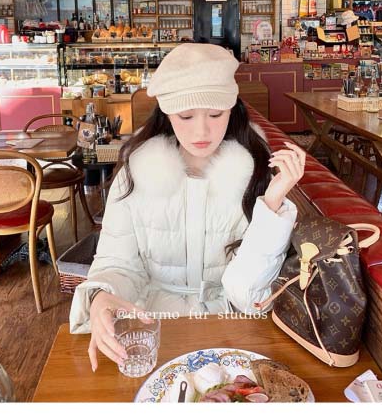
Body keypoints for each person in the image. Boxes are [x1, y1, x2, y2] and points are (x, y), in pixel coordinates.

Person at [69, 43, 305, 371]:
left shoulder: (255, 174)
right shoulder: (135, 174)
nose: (201, 131)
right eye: (186, 116)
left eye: (215, 114)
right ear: (167, 113)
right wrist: (100, 296)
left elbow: (248, 297)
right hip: (153, 329)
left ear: (232, 110)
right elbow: (118, 264)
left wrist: (272, 203)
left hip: (232, 335)